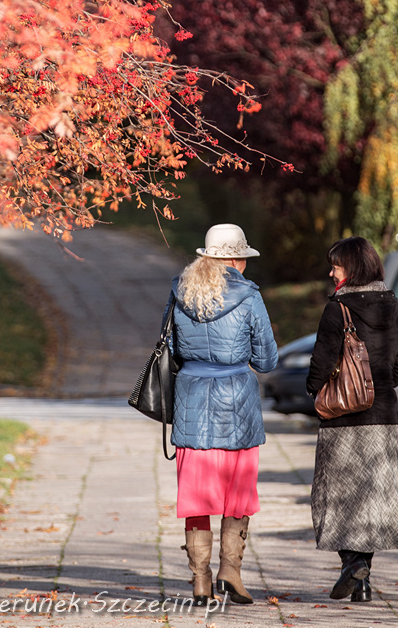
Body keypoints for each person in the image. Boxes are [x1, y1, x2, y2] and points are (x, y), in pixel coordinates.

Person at [163, 223, 278, 607]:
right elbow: (266, 360)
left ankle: (200, 580)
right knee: (238, 494)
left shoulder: (181, 291)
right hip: (238, 408)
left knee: (196, 498)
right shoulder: (248, 296)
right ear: (233, 259)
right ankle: (232, 571)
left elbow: (173, 350)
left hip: (192, 404)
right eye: (243, 256)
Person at [306, 236, 398, 604]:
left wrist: (316, 390)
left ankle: (353, 565)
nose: (330, 271)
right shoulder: (394, 310)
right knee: (371, 500)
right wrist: (378, 385)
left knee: (335, 498)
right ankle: (362, 579)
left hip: (343, 421)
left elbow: (321, 365)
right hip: (384, 418)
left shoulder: (339, 310)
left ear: (351, 268)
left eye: (335, 265)